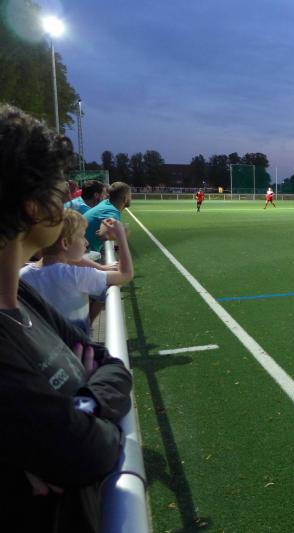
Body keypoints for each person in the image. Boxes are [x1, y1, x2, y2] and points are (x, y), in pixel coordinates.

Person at [0, 104, 132, 533]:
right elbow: (86, 451)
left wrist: (82, 405)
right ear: (33, 208)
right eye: (60, 188)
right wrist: (84, 410)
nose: (67, 197)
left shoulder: (22, 296)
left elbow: (110, 365)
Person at [20, 209, 134, 334]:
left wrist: (101, 267)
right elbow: (125, 274)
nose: (86, 242)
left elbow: (65, 259)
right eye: (82, 236)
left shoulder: (21, 276)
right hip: (75, 345)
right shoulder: (77, 276)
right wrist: (121, 237)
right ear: (65, 243)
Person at [83, 181, 131, 253]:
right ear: (125, 198)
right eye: (130, 195)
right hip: (82, 253)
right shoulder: (112, 211)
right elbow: (103, 234)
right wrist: (121, 234)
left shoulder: (105, 203)